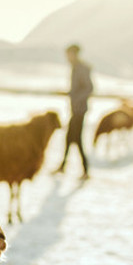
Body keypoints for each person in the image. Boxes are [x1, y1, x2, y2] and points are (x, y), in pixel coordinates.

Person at [55, 43, 93, 179]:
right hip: (75, 109)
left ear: (74, 54)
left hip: (79, 110)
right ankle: (63, 166)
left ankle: (85, 170)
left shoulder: (81, 68)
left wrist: (75, 97)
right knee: (70, 137)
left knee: (76, 139)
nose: (67, 57)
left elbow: (89, 88)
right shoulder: (75, 68)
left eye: (68, 54)